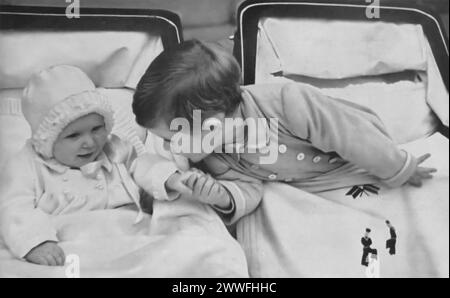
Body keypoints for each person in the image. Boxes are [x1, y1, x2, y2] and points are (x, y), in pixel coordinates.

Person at [132, 39, 437, 224]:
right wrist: (223, 197)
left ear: (213, 119)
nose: (174, 149)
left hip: (356, 160)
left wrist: (398, 166)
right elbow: (248, 187)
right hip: (310, 183)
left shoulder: (288, 102)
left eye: (175, 137)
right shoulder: (214, 155)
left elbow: (352, 135)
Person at [0, 65, 191, 266]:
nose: (90, 142)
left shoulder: (113, 147)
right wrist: (35, 242)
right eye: (74, 135)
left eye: (97, 129)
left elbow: (140, 164)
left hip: (127, 234)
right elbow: (13, 206)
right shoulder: (28, 165)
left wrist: (168, 178)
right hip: (69, 244)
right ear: (47, 138)